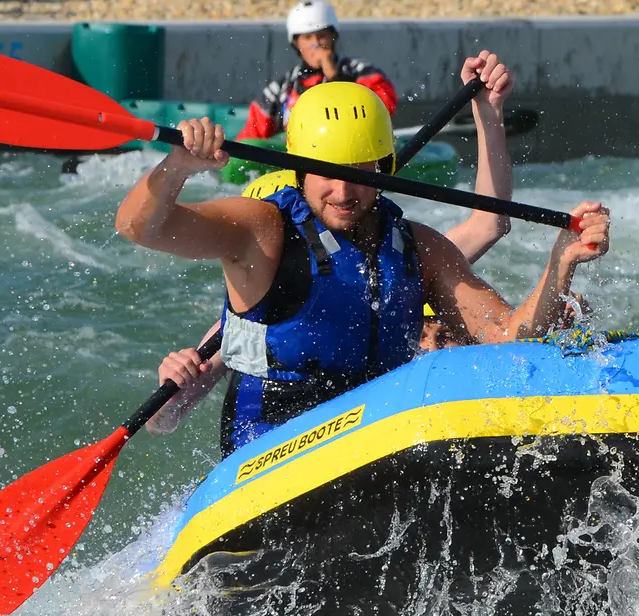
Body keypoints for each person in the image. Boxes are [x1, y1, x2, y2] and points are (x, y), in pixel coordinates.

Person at [120, 78, 610, 455]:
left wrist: (561, 264)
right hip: (271, 455)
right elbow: (140, 227)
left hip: (374, 442)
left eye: (360, 174)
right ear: (298, 170)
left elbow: (510, 338)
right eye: (327, 176)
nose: (345, 193)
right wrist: (178, 167)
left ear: (383, 167)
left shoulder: (417, 246)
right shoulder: (262, 230)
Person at [148, 50, 524, 436]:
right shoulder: (243, 320)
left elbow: (489, 222)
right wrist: (174, 391)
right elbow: (164, 421)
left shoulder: (399, 249)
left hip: (376, 427)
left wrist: (488, 113)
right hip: (281, 442)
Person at [236, 0, 401, 141]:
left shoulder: (362, 71)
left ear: (333, 37)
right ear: (297, 44)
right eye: (307, 38)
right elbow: (252, 136)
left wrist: (335, 78)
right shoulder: (282, 87)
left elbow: (382, 110)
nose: (315, 44)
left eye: (321, 36)